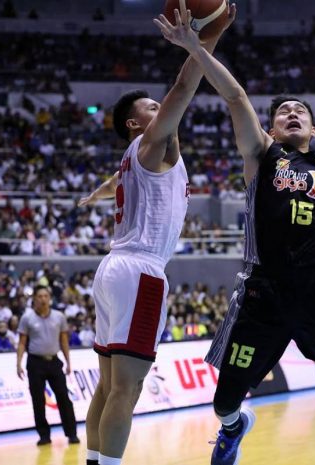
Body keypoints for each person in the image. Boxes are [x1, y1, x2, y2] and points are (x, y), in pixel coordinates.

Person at [155, 13, 315, 465]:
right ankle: (235, 427)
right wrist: (195, 48)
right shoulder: (261, 155)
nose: (291, 113)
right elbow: (235, 96)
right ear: (272, 129)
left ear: (314, 131)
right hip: (263, 292)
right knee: (223, 402)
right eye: (283, 112)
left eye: (301, 112)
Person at [78, 3, 236, 465]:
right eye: (152, 107)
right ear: (136, 123)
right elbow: (185, 84)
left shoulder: (135, 156)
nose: (161, 107)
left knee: (109, 386)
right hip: (140, 271)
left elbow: (114, 183)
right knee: (127, 388)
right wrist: (209, 34)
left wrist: (99, 193)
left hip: (113, 269)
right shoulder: (152, 142)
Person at [16, 284, 78, 446]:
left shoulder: (59, 317)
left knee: (64, 398)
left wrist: (68, 362)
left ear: (50, 299)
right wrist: (18, 363)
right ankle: (44, 435)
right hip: (35, 362)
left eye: (45, 296)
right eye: (40, 296)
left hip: (54, 361)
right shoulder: (27, 318)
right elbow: (22, 343)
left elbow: (64, 340)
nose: (43, 299)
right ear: (34, 299)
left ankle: (71, 433)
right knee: (38, 400)